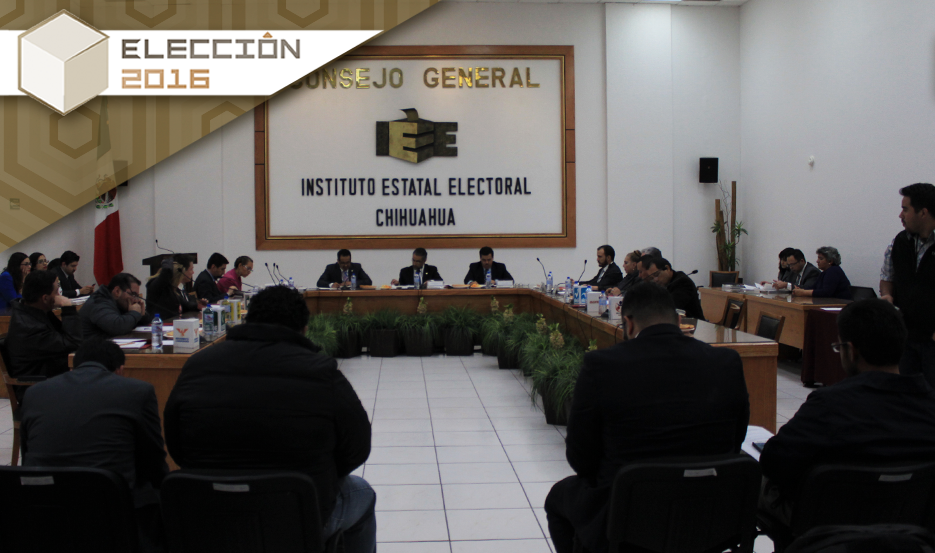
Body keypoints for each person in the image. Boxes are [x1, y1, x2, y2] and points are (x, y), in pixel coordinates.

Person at [164, 286, 374, 553]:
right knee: (361, 492)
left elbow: (176, 445)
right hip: (297, 517)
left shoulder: (198, 365)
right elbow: (358, 448)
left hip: (209, 513)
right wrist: (323, 472)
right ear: (303, 329)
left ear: (248, 318)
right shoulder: (321, 372)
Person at [545, 283, 749, 553]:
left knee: (558, 498)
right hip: (710, 516)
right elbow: (736, 439)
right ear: (679, 321)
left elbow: (580, 454)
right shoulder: (726, 361)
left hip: (627, 520)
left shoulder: (602, 365)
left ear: (628, 323)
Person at [758, 300, 935, 526]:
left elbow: (773, 461)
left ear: (851, 351)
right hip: (909, 528)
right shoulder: (928, 405)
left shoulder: (828, 405)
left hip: (827, 528)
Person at [21, 339, 169, 553]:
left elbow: (27, 453)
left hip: (43, 505)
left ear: (74, 366)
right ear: (120, 369)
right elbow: (153, 457)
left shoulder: (35, 392)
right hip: (109, 505)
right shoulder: (137, 391)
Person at [880, 183, 935, 386]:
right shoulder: (900, 242)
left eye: (905, 209)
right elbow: (887, 277)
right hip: (906, 336)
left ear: (923, 212)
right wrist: (887, 295)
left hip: (931, 338)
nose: (900, 215)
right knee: (906, 392)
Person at [6, 271, 81, 384]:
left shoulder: (34, 311)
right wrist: (68, 308)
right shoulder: (29, 327)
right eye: (57, 291)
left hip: (52, 375)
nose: (60, 295)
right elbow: (73, 343)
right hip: (38, 385)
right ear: (45, 298)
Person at [80, 273, 146, 342]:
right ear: (117, 291)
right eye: (133, 294)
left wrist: (142, 315)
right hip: (92, 346)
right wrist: (134, 313)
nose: (136, 300)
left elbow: (131, 324)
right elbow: (118, 328)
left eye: (137, 296)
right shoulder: (99, 303)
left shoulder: (117, 302)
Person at [146, 254, 208, 318]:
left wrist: (197, 306)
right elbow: (166, 271)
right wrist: (170, 261)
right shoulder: (157, 284)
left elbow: (185, 304)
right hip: (159, 323)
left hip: (172, 322)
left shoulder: (172, 288)